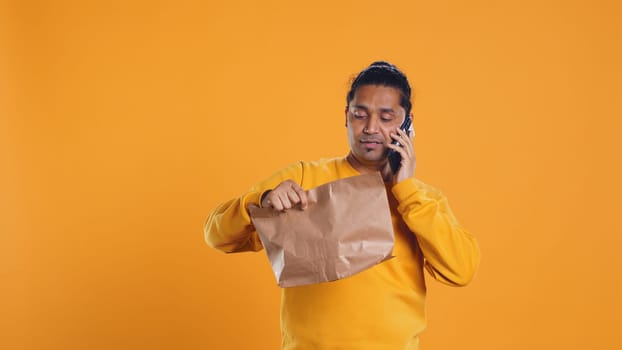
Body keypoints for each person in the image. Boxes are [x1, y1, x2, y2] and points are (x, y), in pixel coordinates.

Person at [204, 61, 480, 350]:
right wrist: (259, 203)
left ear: (407, 122)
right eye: (360, 115)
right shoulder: (304, 178)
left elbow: (461, 270)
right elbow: (216, 235)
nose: (371, 128)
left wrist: (406, 190)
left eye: (386, 117)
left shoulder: (421, 199)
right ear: (346, 116)